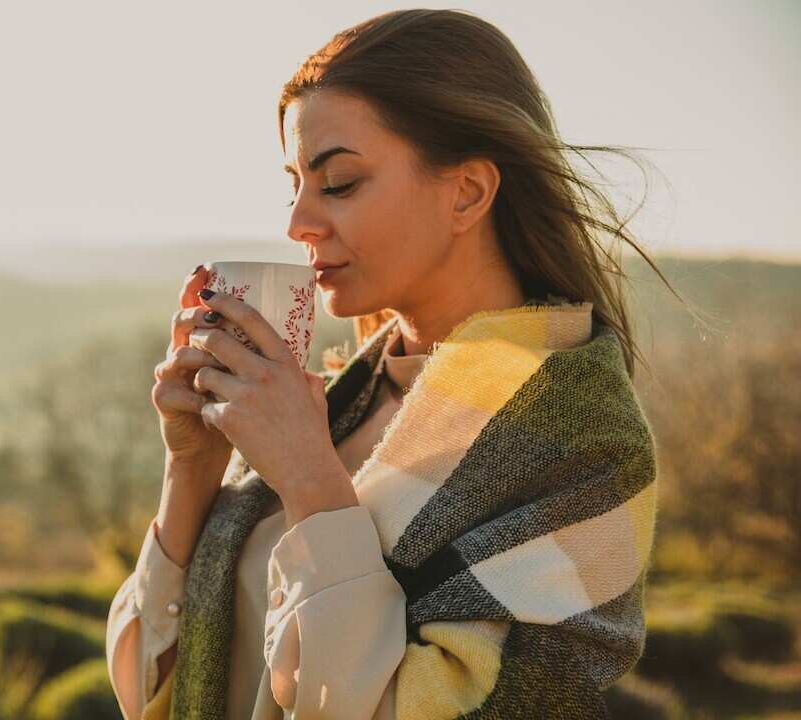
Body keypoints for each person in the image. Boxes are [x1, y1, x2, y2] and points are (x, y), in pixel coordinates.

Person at [107, 8, 687, 719]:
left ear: (468, 192)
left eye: (339, 183)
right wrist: (193, 467)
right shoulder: (346, 396)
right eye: (294, 183)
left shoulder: (586, 443)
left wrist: (312, 481)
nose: (297, 222)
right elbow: (146, 690)